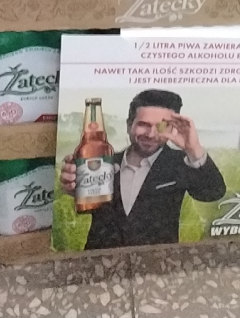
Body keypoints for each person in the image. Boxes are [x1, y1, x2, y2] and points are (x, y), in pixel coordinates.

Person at [60, 89, 227, 250]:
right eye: (143, 124)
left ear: (173, 128)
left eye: (162, 126)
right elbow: (88, 207)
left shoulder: (180, 162)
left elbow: (213, 192)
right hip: (100, 261)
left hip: (157, 262)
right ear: (129, 125)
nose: (151, 134)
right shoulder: (104, 162)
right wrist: (75, 188)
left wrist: (194, 149)